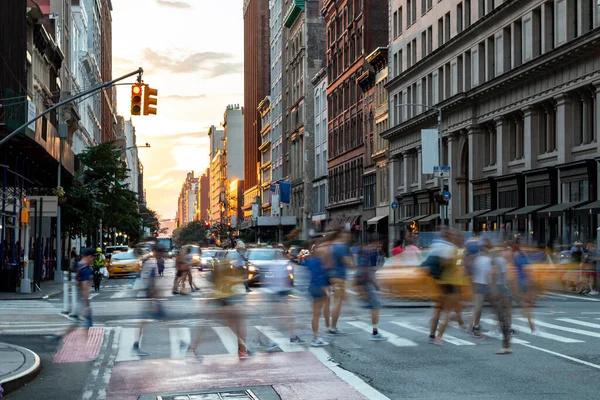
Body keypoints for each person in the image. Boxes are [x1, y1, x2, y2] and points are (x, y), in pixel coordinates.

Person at [429, 228, 466, 345]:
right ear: (450, 237)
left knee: (437, 309)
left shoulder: (435, 245)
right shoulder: (452, 249)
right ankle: (439, 338)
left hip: (438, 281)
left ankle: (431, 334)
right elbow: (452, 265)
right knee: (447, 311)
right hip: (450, 283)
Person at [356, 241, 388, 341]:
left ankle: (375, 331)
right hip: (369, 282)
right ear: (376, 243)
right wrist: (376, 284)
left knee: (374, 305)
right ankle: (375, 332)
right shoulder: (372, 253)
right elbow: (370, 271)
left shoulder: (365, 251)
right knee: (376, 306)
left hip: (364, 281)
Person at [327, 229, 353, 336]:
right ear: (343, 235)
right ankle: (333, 327)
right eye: (347, 234)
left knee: (336, 301)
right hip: (340, 276)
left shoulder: (331, 246)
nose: (348, 236)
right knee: (337, 302)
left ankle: (332, 326)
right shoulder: (342, 247)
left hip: (332, 275)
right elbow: (347, 261)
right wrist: (352, 263)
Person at [307, 238, 332, 347]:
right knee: (317, 313)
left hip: (312, 287)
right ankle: (316, 338)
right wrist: (326, 289)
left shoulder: (311, 261)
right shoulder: (321, 262)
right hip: (320, 288)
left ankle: (316, 336)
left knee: (315, 314)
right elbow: (321, 276)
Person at [512, 243, 536, 334]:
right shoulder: (523, 257)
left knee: (524, 304)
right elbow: (527, 270)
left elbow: (517, 271)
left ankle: (532, 327)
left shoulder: (516, 257)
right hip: (524, 281)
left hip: (520, 281)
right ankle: (532, 328)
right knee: (527, 305)